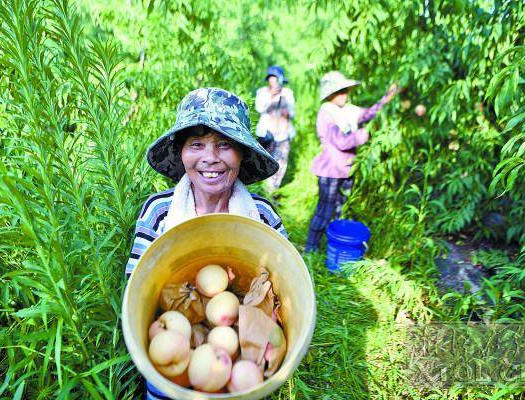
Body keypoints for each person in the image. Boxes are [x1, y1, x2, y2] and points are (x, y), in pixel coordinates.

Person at [124, 87, 287, 400]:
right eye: (196, 144)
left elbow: (285, 291)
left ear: (241, 154)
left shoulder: (262, 216)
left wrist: (263, 331)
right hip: (172, 363)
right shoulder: (159, 212)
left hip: (241, 365)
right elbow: (137, 291)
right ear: (182, 153)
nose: (210, 158)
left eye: (224, 145)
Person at [305, 71, 399, 253]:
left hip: (347, 169)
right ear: (331, 94)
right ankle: (311, 247)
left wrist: (386, 99)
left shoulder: (347, 109)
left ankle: (331, 243)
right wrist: (363, 135)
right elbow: (341, 141)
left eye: (346, 90)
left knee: (340, 208)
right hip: (331, 170)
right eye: (341, 91)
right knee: (325, 209)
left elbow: (368, 114)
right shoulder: (327, 113)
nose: (345, 94)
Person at [255, 65, 296, 192]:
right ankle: (262, 189)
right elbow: (259, 108)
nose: (274, 81)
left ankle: (272, 191)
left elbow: (292, 113)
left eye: (276, 78)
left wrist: (286, 111)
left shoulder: (288, 93)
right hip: (266, 134)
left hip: (283, 134)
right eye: (271, 78)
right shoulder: (262, 92)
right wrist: (270, 97)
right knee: (265, 161)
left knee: (281, 162)